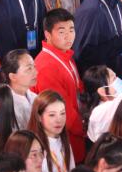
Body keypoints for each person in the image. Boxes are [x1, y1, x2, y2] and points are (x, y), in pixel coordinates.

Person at [33, 9, 84, 163]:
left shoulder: (65, 54)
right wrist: (84, 128)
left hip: (75, 134)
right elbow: (60, 109)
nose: (69, 36)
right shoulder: (46, 65)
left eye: (71, 30)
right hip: (63, 140)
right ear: (47, 34)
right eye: (61, 32)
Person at [28, 90, 74, 172]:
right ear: (39, 117)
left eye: (62, 113)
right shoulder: (34, 148)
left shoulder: (64, 143)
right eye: (52, 115)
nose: (59, 120)